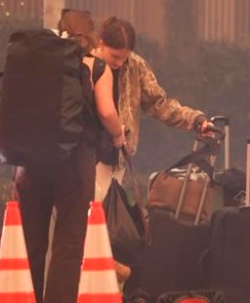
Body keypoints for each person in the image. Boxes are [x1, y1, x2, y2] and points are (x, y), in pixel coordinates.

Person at [15, 9, 125, 303]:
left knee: (30, 240)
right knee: (68, 241)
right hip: (73, 162)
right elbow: (106, 111)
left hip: (30, 161)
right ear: (91, 34)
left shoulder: (34, 61)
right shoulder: (95, 66)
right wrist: (119, 134)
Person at [91, 16, 216, 201]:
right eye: (115, 56)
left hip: (117, 155)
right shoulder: (87, 63)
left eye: (124, 58)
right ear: (101, 44)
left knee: (106, 210)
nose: (119, 63)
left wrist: (196, 120)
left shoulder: (135, 66)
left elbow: (159, 104)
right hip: (88, 153)